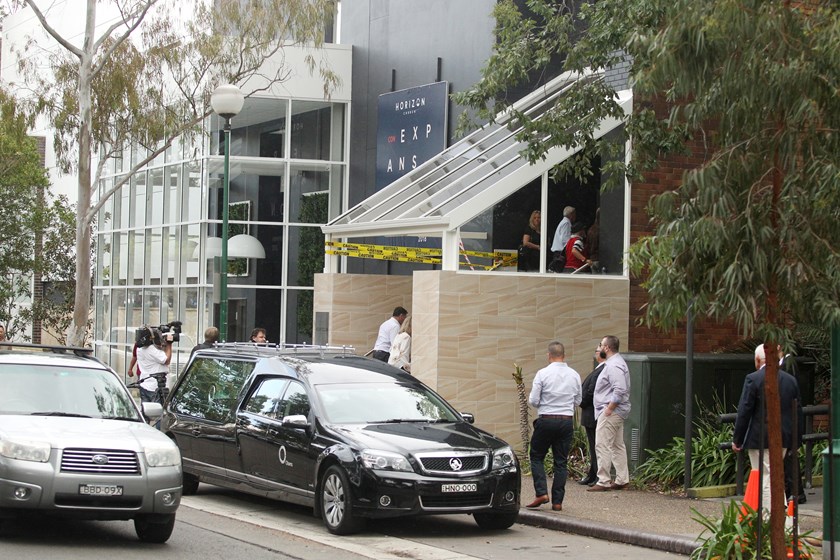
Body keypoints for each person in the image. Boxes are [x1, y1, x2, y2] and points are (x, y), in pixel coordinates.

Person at [731, 344, 803, 515]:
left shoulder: (753, 379)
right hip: (784, 437)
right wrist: (796, 441)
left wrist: (737, 439)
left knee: (764, 477)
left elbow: (745, 410)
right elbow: (798, 412)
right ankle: (781, 517)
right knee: (775, 477)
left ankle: (768, 517)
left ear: (758, 360)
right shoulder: (790, 380)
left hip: (759, 438)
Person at [525, 341, 582, 511]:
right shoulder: (574, 375)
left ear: (549, 355)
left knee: (536, 456)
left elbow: (533, 400)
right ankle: (557, 502)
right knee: (561, 462)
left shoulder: (542, 373)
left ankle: (541, 492)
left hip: (547, 419)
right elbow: (578, 400)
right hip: (566, 421)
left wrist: (546, 403)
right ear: (564, 355)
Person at [588, 335, 631, 492]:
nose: (599, 347)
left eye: (601, 345)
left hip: (611, 411)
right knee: (616, 445)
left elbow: (620, 389)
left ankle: (604, 480)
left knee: (602, 444)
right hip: (616, 411)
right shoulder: (616, 363)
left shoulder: (614, 365)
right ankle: (622, 479)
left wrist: (609, 409)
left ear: (606, 348)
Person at [778, 345, 806, 504]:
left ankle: (796, 492)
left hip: (788, 420)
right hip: (788, 419)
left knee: (790, 458)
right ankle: (793, 491)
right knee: (788, 458)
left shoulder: (789, 365)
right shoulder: (785, 363)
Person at [579, 345, 606, 486]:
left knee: (596, 446)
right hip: (590, 413)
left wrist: (582, 401)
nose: (595, 353)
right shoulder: (599, 369)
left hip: (592, 413)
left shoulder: (602, 370)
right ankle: (592, 474)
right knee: (593, 447)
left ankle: (597, 476)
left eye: (597, 351)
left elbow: (591, 392)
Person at [135, 326, 173, 403]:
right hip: (155, 388)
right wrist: (169, 344)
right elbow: (166, 360)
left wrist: (162, 345)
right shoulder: (151, 349)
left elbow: (159, 353)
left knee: (146, 409)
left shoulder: (139, 349)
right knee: (157, 410)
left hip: (144, 385)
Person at [549, 206, 575, 272]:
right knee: (558, 273)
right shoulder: (566, 223)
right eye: (574, 214)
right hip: (560, 253)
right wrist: (569, 250)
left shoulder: (563, 222)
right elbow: (565, 239)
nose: (575, 216)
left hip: (558, 253)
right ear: (571, 214)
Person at [586, 208, 600, 272]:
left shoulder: (591, 230)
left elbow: (587, 245)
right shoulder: (600, 230)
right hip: (599, 258)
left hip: (592, 258)